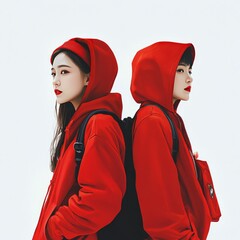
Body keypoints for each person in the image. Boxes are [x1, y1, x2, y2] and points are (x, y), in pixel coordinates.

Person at [33, 38, 126, 240]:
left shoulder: (99, 125)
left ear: (88, 78)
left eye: (65, 72)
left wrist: (54, 228)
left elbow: (101, 200)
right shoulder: (76, 127)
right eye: (53, 73)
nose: (56, 80)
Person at [130, 41, 221, 239]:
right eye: (179, 70)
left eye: (189, 70)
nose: (189, 78)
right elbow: (160, 212)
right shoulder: (152, 121)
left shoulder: (167, 118)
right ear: (155, 74)